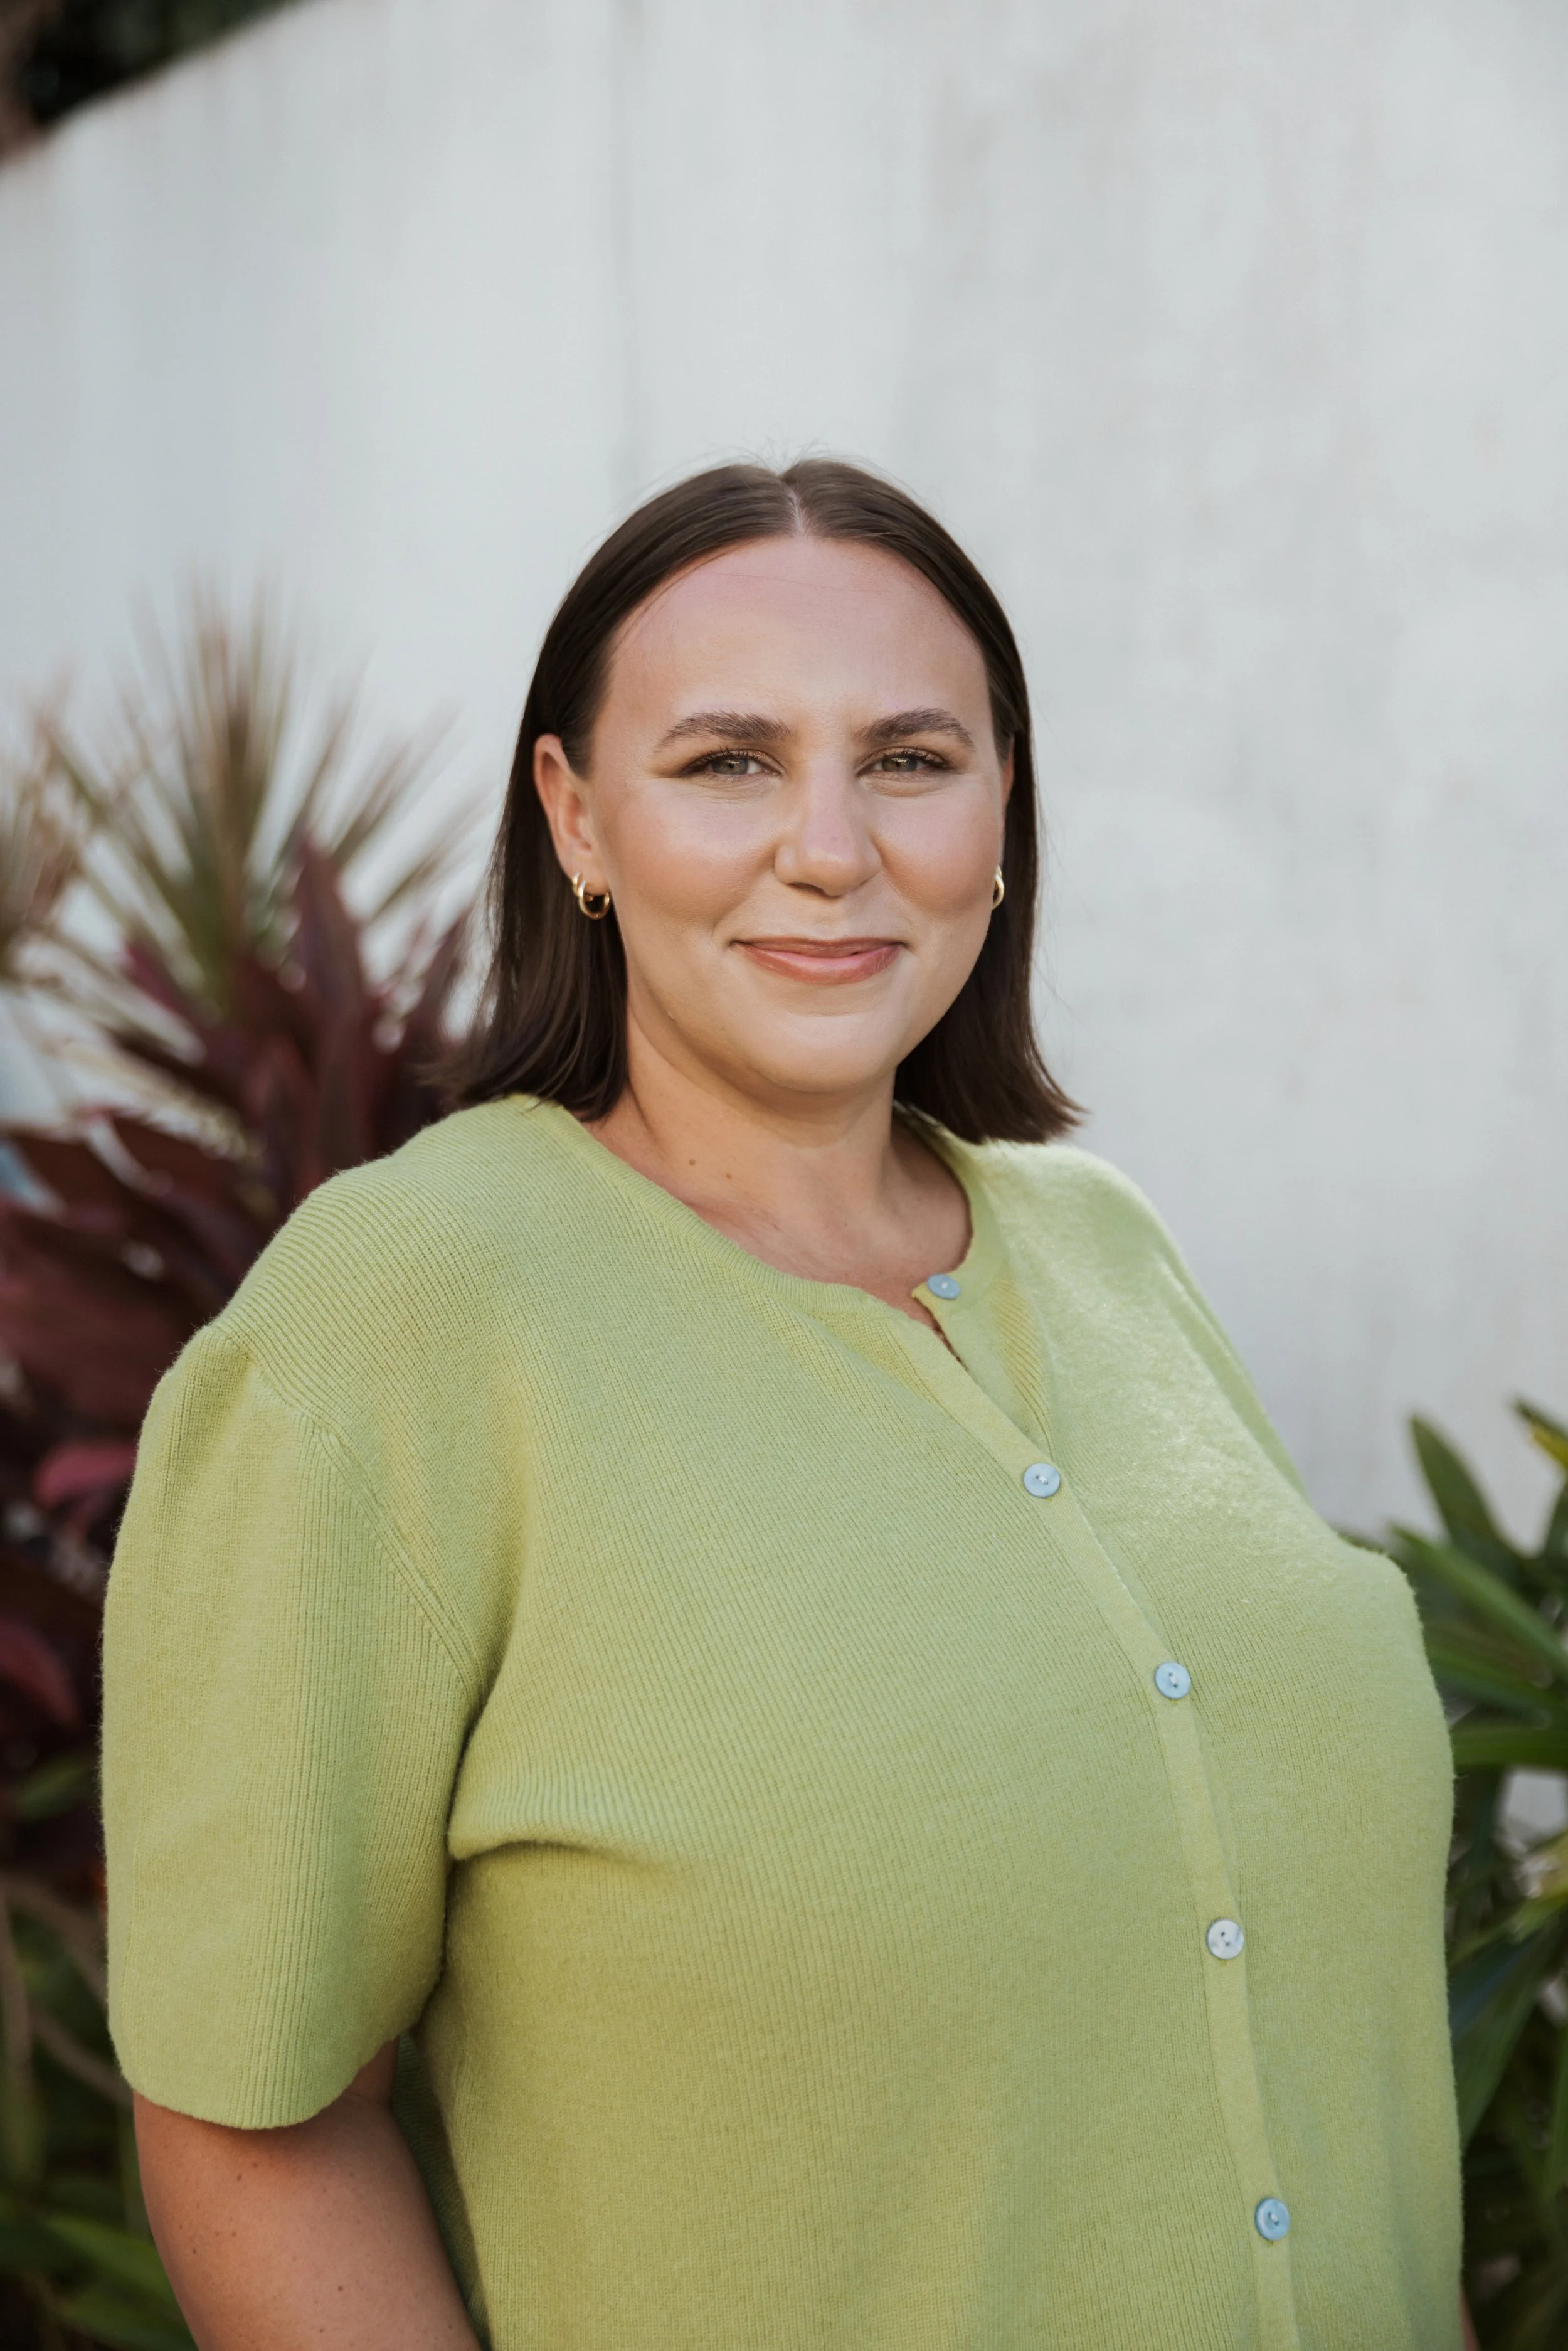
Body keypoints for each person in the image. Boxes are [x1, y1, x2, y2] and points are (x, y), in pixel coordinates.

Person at [104, 460, 1468, 2350]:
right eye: (727, 760)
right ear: (575, 819)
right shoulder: (399, 1316)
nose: (830, 845)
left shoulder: (1107, 1249)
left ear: (1002, 812)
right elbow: (253, 2124)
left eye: (911, 757)